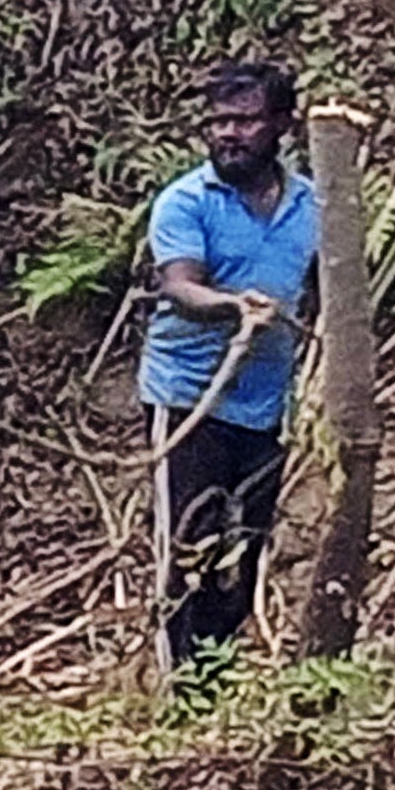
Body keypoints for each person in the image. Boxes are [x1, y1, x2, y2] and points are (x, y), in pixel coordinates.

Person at [140, 57, 318, 676]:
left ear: (282, 126)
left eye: (244, 121)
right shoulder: (185, 202)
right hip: (190, 400)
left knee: (244, 553)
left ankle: (214, 679)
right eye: (217, 122)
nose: (228, 135)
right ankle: (178, 691)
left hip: (267, 407)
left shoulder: (312, 207)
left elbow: (326, 296)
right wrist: (231, 306)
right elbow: (181, 287)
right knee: (190, 544)